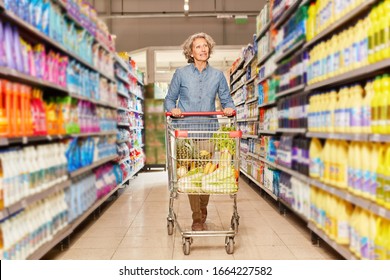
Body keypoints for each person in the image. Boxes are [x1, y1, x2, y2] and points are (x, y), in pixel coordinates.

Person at [164, 32, 236, 231]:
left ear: (209, 49)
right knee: (190, 176)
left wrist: (229, 108)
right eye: (198, 46)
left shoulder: (218, 75)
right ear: (191, 51)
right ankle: (197, 218)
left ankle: (202, 209)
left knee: (205, 175)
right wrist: (173, 109)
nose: (203, 49)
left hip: (208, 131)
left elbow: (226, 99)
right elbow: (169, 99)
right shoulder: (181, 74)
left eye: (205, 46)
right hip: (185, 134)